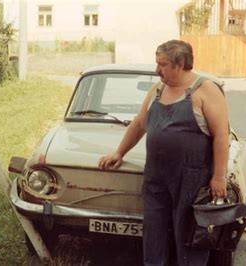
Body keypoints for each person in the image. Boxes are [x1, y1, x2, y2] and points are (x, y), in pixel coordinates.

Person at [98, 40, 229, 265]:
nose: (157, 69)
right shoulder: (157, 89)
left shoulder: (205, 90)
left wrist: (219, 176)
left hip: (192, 178)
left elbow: (221, 136)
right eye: (157, 63)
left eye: (163, 64)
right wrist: (119, 152)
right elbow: (140, 124)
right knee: (154, 232)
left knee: (188, 235)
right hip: (156, 175)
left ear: (180, 64)